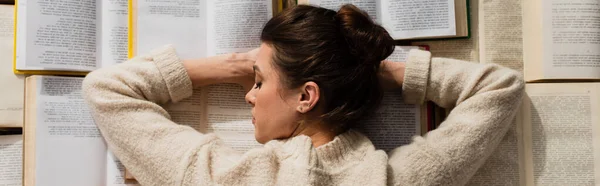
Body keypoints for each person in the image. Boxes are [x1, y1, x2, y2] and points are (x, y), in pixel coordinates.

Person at [83, 4, 524, 186]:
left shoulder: (219, 177)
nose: (248, 96)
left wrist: (228, 65)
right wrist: (384, 73)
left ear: (306, 96)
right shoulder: (398, 179)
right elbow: (498, 87)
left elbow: (106, 89)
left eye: (258, 81)